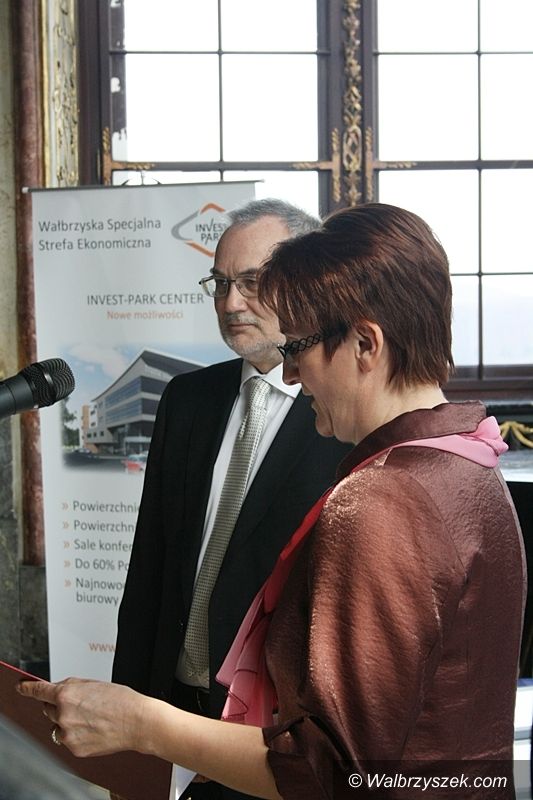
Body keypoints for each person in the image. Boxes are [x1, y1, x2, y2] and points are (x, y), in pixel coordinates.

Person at [19, 203, 525, 799]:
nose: (290, 375)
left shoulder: (382, 501)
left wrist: (141, 724)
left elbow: (328, 773)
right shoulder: (469, 464)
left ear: (366, 343)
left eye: (300, 345)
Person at [110, 198, 351, 799]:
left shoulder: (345, 417)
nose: (230, 303)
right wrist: (125, 737)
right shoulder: (187, 399)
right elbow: (149, 573)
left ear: (309, 283)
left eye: (252, 282)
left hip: (275, 738)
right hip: (168, 712)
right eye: (219, 283)